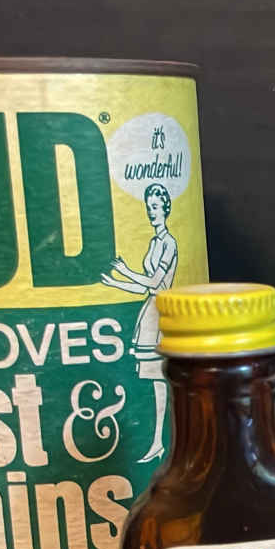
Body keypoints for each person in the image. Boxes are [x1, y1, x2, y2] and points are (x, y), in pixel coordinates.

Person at [102, 183, 179, 462]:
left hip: (163, 314)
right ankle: (158, 441)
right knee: (153, 381)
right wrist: (116, 283)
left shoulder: (169, 243)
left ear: (166, 209)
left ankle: (164, 441)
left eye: (155, 207)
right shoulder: (154, 243)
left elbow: (157, 283)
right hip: (149, 312)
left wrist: (125, 271)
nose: (151, 212)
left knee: (163, 380)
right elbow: (144, 289)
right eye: (149, 207)